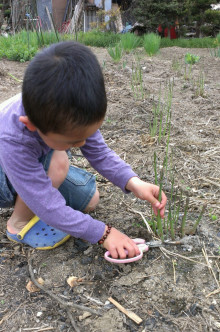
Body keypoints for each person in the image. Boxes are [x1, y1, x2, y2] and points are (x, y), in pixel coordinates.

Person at [0, 41, 167, 259]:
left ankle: (38, 186)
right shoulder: (13, 137)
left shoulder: (70, 108)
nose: (81, 145)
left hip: (33, 161)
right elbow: (47, 205)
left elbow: (100, 153)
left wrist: (134, 182)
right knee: (59, 163)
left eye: (84, 137)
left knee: (90, 199)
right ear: (31, 124)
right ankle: (18, 223)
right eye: (72, 141)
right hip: (3, 175)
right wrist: (104, 233)